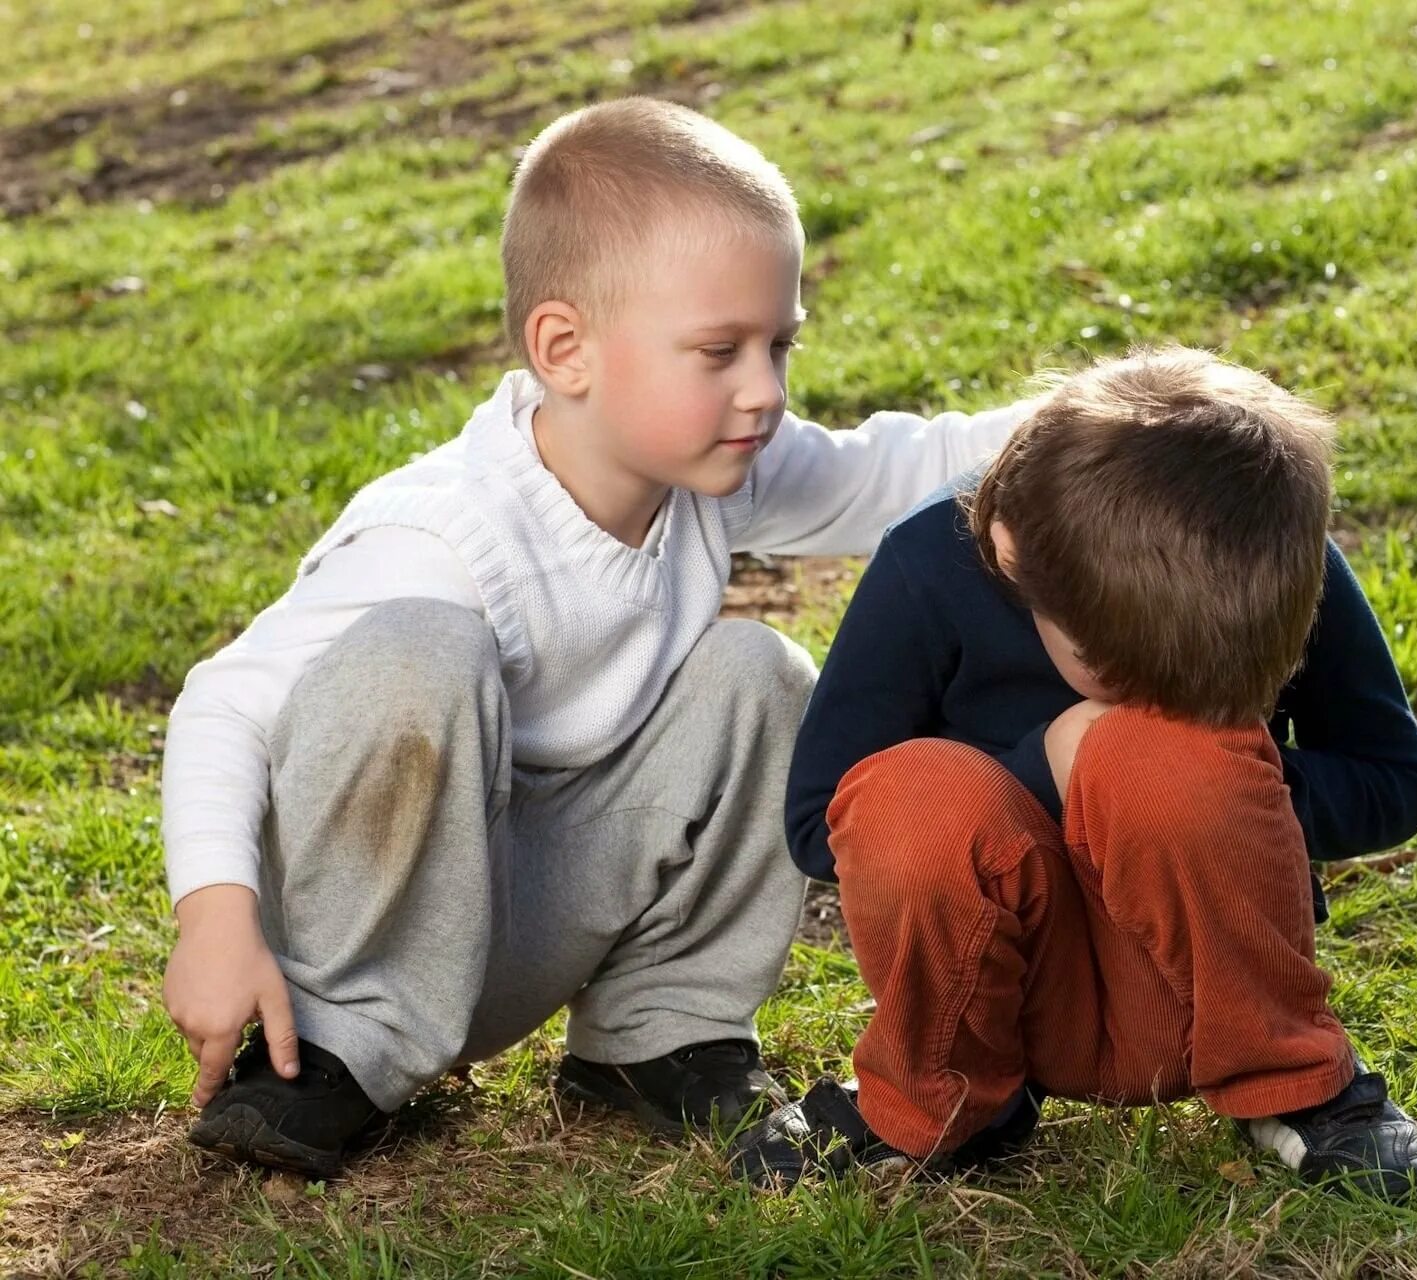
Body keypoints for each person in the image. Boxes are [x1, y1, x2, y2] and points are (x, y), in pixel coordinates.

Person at [159, 95, 1026, 1179]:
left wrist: (1105, 414)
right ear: (565, 349)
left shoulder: (710, 467)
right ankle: (336, 1052)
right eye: (719, 350)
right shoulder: (442, 531)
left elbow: (890, 473)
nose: (763, 389)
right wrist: (215, 920)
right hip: (358, 940)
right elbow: (223, 704)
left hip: (523, 918)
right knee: (417, 651)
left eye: (779, 344)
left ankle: (658, 1029)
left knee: (760, 670)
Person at [745, 346, 1417, 1202]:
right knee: (912, 792)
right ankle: (941, 1100)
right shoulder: (927, 565)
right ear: (1010, 555)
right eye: (1122, 674)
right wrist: (1048, 765)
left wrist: (1231, 772)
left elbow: (1394, 782)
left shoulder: (1266, 556)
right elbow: (821, 820)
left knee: (1150, 755)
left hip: (1201, 990)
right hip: (1000, 992)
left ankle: (1292, 1085)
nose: (1152, 697)